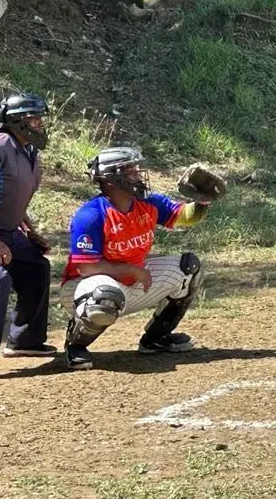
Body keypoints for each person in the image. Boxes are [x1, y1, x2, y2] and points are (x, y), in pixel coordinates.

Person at [60, 148, 213, 371]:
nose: (139, 176)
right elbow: (86, 267)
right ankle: (75, 347)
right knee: (104, 297)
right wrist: (132, 270)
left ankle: (155, 339)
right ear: (112, 179)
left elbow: (185, 216)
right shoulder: (91, 215)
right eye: (131, 172)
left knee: (188, 268)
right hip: (82, 287)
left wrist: (202, 201)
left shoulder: (148, 202)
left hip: (130, 282)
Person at [0, 94, 54, 383]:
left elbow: (12, 199)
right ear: (16, 121)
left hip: (6, 229)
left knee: (36, 265)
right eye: (34, 119)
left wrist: (30, 231)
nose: (40, 124)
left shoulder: (29, 151)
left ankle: (24, 341)